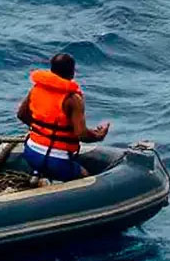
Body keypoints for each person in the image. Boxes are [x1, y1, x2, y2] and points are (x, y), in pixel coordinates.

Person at [16, 53, 109, 181]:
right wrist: (98, 136)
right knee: (84, 177)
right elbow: (81, 134)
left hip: (31, 152)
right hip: (56, 160)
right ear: (72, 72)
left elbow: (21, 115)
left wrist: (44, 131)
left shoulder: (37, 88)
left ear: (52, 69)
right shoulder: (72, 99)